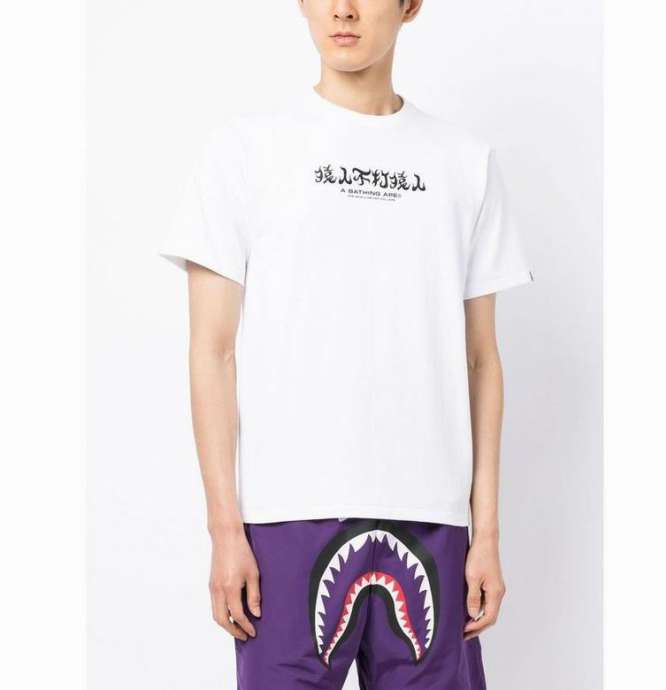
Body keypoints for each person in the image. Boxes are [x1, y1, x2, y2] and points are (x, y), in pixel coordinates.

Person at [160, 1, 532, 687]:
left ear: (410, 5)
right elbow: (212, 352)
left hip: (432, 521)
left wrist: (486, 535)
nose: (343, 9)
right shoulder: (244, 151)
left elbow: (481, 359)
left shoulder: (465, 163)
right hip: (286, 519)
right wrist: (224, 530)